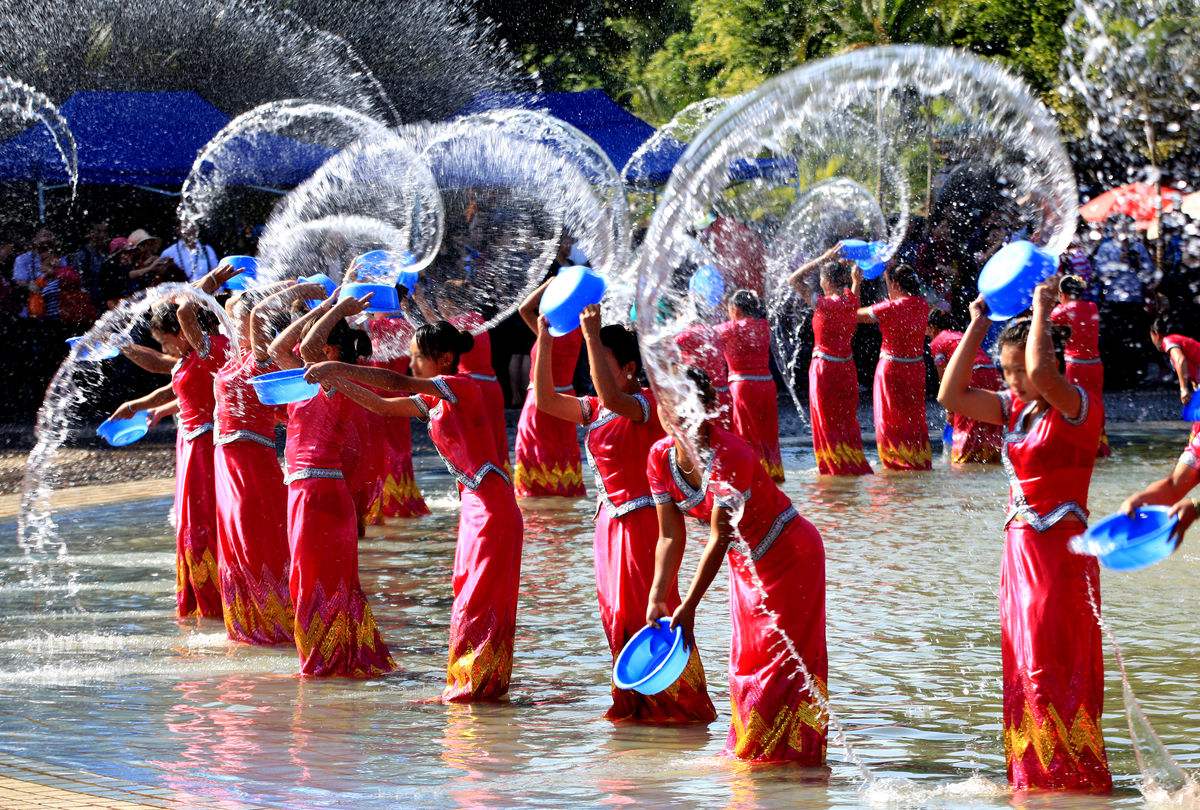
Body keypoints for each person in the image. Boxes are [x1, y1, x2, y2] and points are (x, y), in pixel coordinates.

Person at [938, 282, 1110, 792]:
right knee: (1022, 660)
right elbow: (950, 394)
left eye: (1019, 371)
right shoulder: (1015, 409)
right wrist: (978, 323)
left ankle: (1069, 777)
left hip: (1061, 554)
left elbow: (1040, 372)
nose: (1014, 381)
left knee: (1051, 661)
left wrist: (1040, 307)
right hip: (1018, 554)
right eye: (1006, 372)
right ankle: (1033, 777)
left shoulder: (1077, 404)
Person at [306, 320, 524, 702]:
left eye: (417, 358)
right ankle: (466, 684)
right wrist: (336, 383)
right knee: (465, 595)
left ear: (442, 359)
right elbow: (381, 404)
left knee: (479, 599)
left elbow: (396, 385)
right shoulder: (433, 400)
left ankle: (476, 687)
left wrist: (338, 368)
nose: (412, 365)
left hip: (493, 509)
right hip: (476, 509)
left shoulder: (459, 386)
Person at [532, 305, 716, 723]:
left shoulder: (644, 404)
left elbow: (614, 396)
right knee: (614, 615)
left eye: (601, 360)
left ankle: (677, 707)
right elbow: (543, 399)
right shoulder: (593, 409)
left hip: (643, 526)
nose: (592, 369)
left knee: (646, 612)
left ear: (630, 367)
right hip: (607, 526)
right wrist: (544, 338)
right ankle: (634, 704)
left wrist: (592, 335)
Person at [645, 367, 827, 763]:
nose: (673, 415)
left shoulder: (732, 455)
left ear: (707, 409)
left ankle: (794, 761)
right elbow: (670, 536)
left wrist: (689, 605)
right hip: (746, 565)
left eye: (683, 406)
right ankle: (755, 755)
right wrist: (658, 596)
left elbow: (719, 536)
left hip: (791, 555)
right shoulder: (659, 458)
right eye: (666, 405)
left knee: (782, 663)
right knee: (747, 660)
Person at [268, 290, 395, 678]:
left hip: (319, 493)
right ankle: (331, 660)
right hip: (309, 491)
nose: (304, 345)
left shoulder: (334, 378)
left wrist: (336, 307)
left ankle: (322, 665)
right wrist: (323, 308)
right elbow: (277, 350)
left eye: (314, 338)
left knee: (313, 581)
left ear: (329, 348)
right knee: (310, 579)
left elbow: (302, 346)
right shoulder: (311, 380)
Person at [114, 291, 230, 620]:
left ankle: (214, 600)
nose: (165, 349)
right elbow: (174, 386)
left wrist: (186, 293)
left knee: (201, 521)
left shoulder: (212, 350)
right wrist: (140, 406)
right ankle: (199, 598)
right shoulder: (189, 356)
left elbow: (180, 326)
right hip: (189, 443)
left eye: (165, 341)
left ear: (182, 332)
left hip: (206, 445)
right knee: (189, 522)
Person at [210, 278, 307, 645]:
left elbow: (261, 311)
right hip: (226, 461)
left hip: (252, 462)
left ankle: (274, 625)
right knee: (234, 540)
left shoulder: (261, 357)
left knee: (254, 540)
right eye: (232, 321)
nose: (232, 326)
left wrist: (290, 287)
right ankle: (246, 625)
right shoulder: (232, 359)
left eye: (238, 320)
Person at [789, 245, 872, 476]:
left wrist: (822, 258)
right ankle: (850, 464)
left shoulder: (823, 304)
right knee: (846, 420)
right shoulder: (851, 300)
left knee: (826, 420)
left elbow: (793, 279)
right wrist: (855, 275)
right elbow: (856, 284)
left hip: (824, 369)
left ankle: (833, 469)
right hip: (846, 368)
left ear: (825, 282)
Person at [512, 278, 585, 497]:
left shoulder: (548, 333)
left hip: (540, 401)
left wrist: (550, 283)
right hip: (566, 402)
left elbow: (524, 308)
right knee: (562, 458)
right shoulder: (578, 330)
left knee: (533, 455)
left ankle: (536, 510)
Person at [858, 264, 932, 471]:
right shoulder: (923, 305)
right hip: (916, 369)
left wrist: (856, 285)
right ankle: (918, 461)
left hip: (891, 370)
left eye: (888, 282)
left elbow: (853, 315)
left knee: (889, 419)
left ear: (896, 284)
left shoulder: (889, 307)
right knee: (914, 418)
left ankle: (895, 465)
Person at [363, 314, 428, 521]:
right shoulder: (406, 324)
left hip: (376, 399)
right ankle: (400, 502)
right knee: (397, 450)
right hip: (398, 397)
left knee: (380, 452)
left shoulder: (373, 325)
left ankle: (382, 503)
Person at [716, 290, 783, 482]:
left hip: (743, 387)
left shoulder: (729, 329)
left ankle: (750, 479)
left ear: (735, 309)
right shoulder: (764, 326)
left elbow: (703, 337)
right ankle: (772, 477)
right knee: (767, 435)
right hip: (767, 386)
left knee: (745, 436)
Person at [928, 310, 1002, 464]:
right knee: (987, 419)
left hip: (973, 374)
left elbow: (944, 378)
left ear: (932, 327)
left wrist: (950, 409)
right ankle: (989, 460)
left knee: (964, 421)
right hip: (991, 373)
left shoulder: (937, 341)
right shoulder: (960, 335)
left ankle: (963, 465)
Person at [1051, 274, 1110, 457]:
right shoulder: (1092, 306)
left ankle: (1074, 441)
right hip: (1095, 364)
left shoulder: (1064, 309)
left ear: (1064, 293)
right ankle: (1099, 444)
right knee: (1096, 401)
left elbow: (1047, 321)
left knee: (1072, 401)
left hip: (1075, 365)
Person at [453, 311, 509, 467]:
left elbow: (433, 330)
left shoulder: (456, 323)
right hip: (491, 385)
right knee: (496, 440)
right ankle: (501, 482)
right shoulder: (479, 318)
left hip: (471, 388)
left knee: (475, 444)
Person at [1150, 317, 1200, 438]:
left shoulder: (1168, 341)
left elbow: (1180, 360)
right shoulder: (1178, 340)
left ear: (1155, 334)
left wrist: (1183, 389)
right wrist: (1194, 383)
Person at [73, 218, 110, 309]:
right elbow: (78, 283)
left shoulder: (106, 254)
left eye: (105, 232)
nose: (102, 235)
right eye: (98, 232)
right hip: (89, 305)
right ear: (89, 234)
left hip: (104, 304)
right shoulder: (82, 254)